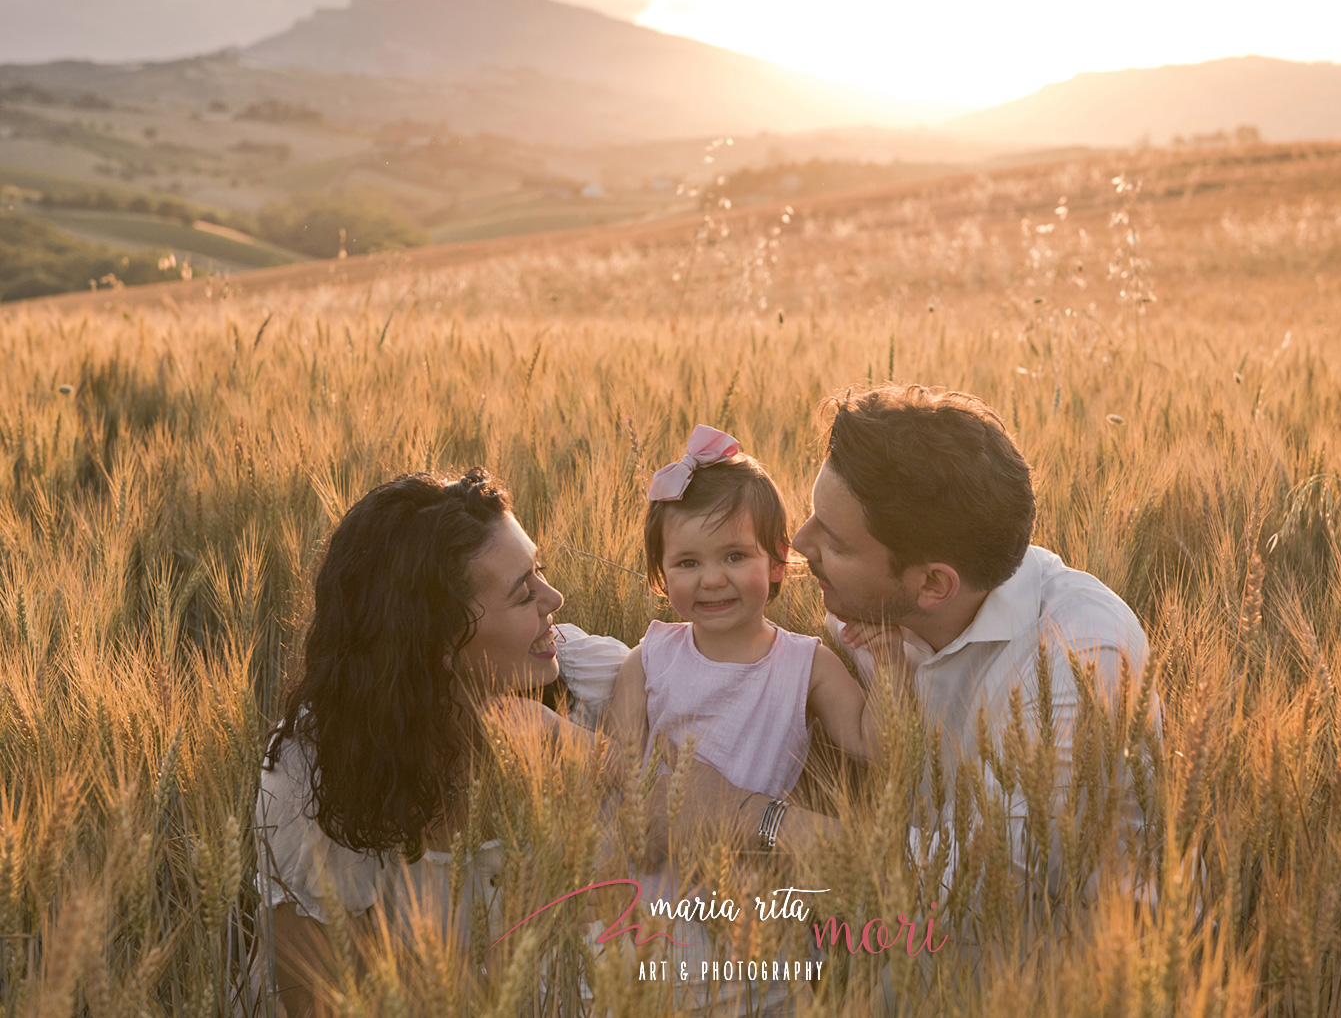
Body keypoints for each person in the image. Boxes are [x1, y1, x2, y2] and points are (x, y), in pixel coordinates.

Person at [642, 386, 1152, 890]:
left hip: (1058, 956)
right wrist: (562, 662)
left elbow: (992, 877)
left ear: (932, 584)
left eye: (835, 541)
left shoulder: (1082, 657)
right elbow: (720, 669)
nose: (799, 543)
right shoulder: (862, 608)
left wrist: (748, 816)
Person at [243, 468, 628, 1018]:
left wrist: (577, 748)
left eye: (538, 570)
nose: (555, 597)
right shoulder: (316, 765)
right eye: (524, 594)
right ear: (437, 645)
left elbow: (696, 775)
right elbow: (318, 1001)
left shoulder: (586, 679)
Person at [607, 424, 884, 814]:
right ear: (660, 577)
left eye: (735, 556)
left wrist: (891, 665)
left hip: (751, 859)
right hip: (650, 859)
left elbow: (870, 746)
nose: (713, 579)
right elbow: (615, 773)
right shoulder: (648, 662)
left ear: (776, 560)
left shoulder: (809, 665)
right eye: (688, 563)